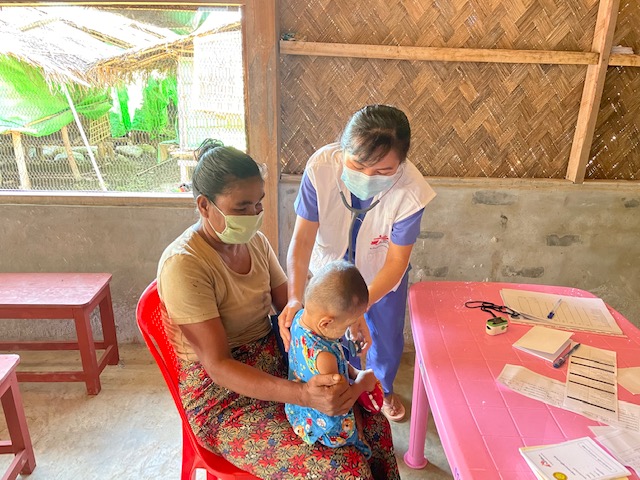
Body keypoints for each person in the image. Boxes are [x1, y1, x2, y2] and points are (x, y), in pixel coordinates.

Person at [156, 139, 400, 479]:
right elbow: (218, 365)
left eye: (258, 204)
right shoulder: (184, 265)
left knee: (374, 427)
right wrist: (303, 394)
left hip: (277, 362)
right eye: (241, 208)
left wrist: (346, 318)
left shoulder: (253, 241)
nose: (254, 216)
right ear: (204, 205)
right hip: (224, 399)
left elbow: (293, 308)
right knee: (342, 468)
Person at [280, 105, 436, 422]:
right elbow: (302, 241)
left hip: (382, 275)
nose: (367, 177)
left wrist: (359, 309)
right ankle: (348, 384)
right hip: (331, 274)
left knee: (386, 338)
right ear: (343, 148)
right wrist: (295, 295)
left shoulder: (412, 191)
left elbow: (395, 262)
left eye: (382, 172)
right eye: (358, 164)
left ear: (401, 164)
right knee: (330, 332)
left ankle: (384, 389)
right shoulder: (321, 167)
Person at [285, 260, 384, 459]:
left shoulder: (301, 318)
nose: (348, 330)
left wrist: (353, 372)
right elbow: (339, 402)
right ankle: (358, 443)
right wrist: (361, 382)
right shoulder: (324, 358)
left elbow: (339, 362)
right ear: (327, 322)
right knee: (366, 426)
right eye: (347, 324)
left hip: (298, 410)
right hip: (326, 426)